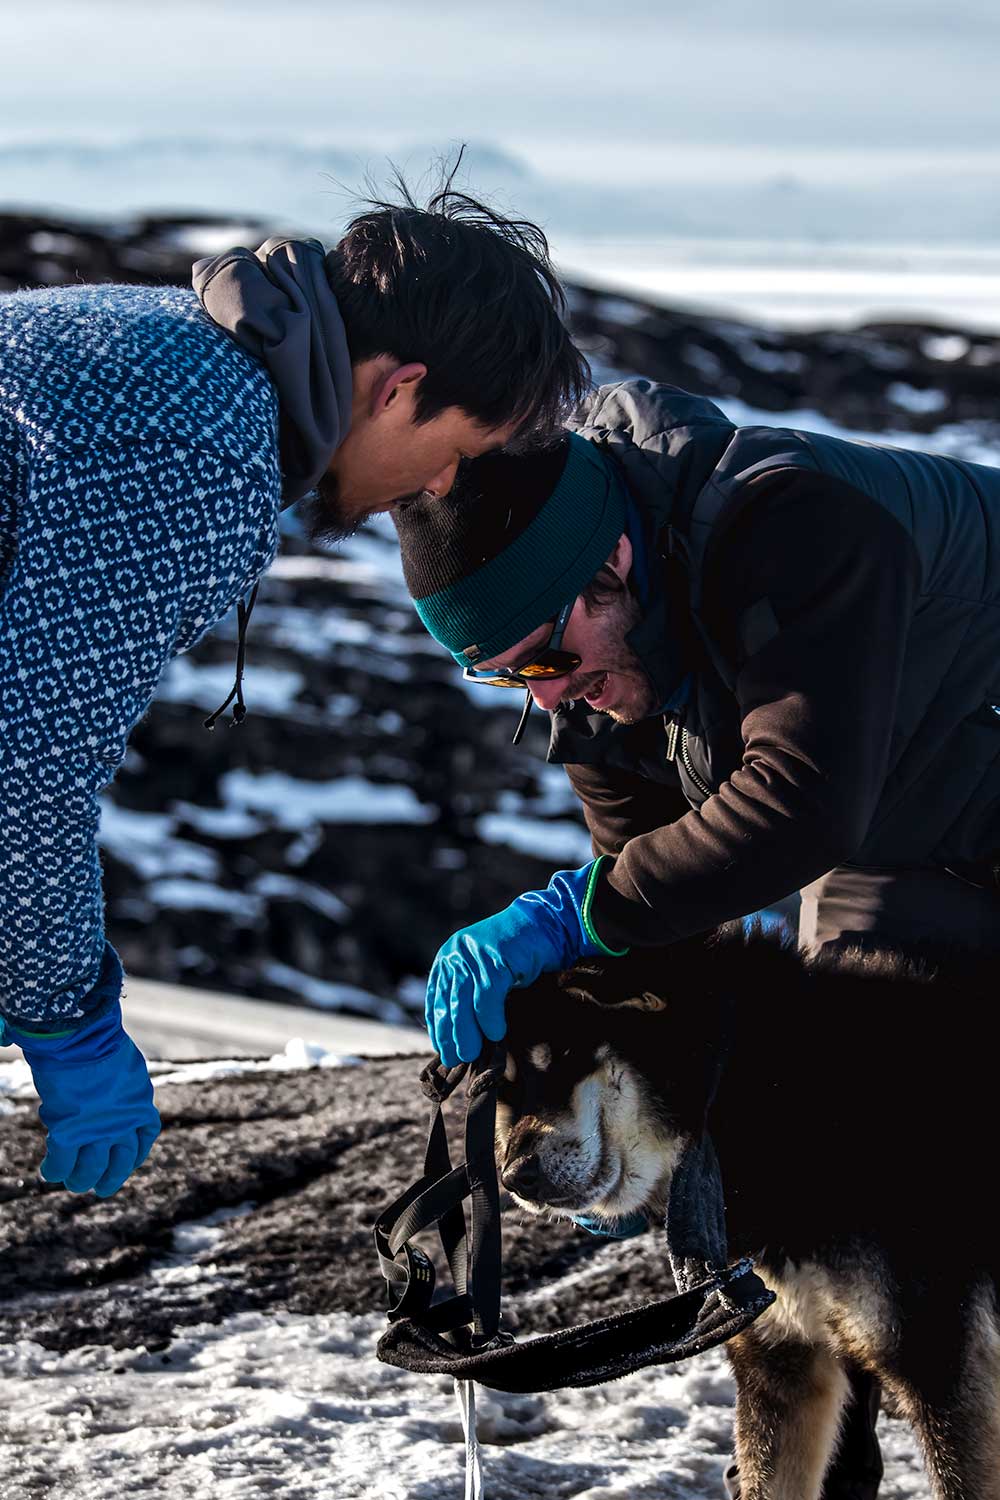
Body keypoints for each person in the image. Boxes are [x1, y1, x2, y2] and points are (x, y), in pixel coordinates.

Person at [393, 380, 1000, 1499]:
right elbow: (667, 924)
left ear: (608, 566)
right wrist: (608, 1100)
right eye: (506, 677)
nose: (553, 696)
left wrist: (571, 910)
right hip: (913, 838)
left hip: (905, 796)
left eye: (543, 654)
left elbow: (801, 805)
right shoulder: (595, 695)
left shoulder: (789, 526)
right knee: (837, 1157)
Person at [0, 177, 588, 1200]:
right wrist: (68, 1022)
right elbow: (25, 771)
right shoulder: (199, 447)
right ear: (401, 387)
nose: (441, 489)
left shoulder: (160, 340)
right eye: (456, 455)